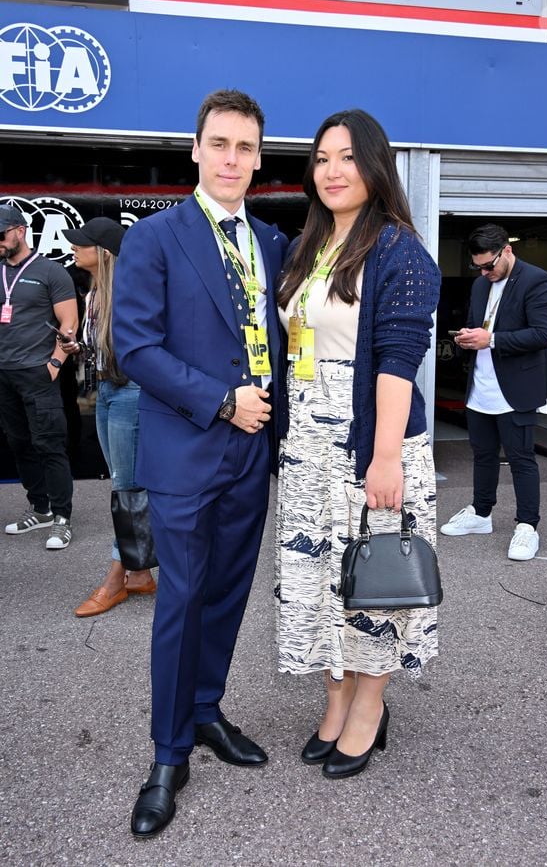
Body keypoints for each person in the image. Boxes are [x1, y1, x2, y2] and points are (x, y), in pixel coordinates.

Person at [112, 89, 288, 837]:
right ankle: (167, 753)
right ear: (195, 149)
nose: (233, 159)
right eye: (220, 143)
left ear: (257, 157)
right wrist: (222, 401)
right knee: (180, 601)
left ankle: (207, 709)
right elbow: (137, 350)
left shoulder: (273, 241)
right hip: (189, 447)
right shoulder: (155, 239)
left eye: (247, 147)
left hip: (253, 454)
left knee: (226, 593)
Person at [276, 109, 441, 780]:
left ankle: (369, 707)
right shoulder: (307, 246)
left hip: (371, 442)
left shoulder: (399, 248)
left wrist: (385, 456)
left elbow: (399, 361)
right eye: (321, 158)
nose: (332, 171)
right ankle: (336, 697)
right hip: (307, 451)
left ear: (375, 167)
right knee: (318, 583)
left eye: (347, 157)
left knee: (373, 585)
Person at [441, 224, 547, 560]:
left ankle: (527, 526)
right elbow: (483, 326)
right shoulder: (480, 285)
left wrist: (490, 340)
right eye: (478, 267)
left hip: (517, 387)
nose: (485, 272)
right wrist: (469, 336)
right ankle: (480, 513)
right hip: (481, 386)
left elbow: (542, 334)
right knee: (483, 454)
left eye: (490, 265)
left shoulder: (536, 280)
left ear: (507, 250)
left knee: (521, 459)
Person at [59, 217, 156, 616]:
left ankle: (117, 578)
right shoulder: (95, 294)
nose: (74, 249)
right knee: (123, 486)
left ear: (104, 253)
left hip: (130, 393)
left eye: (82, 244)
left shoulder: (131, 293)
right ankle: (140, 574)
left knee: (126, 489)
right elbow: (100, 350)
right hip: (107, 391)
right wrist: (76, 346)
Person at [0, 204, 77, 549]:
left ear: (19, 230)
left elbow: (69, 324)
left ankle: (62, 518)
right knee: (20, 443)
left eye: (1, 235)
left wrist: (55, 365)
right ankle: (41, 508)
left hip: (38, 372)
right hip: (4, 373)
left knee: (49, 444)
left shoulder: (51, 272)